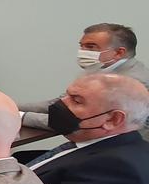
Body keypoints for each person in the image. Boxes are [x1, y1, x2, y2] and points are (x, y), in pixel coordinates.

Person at [19, 23, 149, 140]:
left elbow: (76, 121)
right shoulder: (103, 70)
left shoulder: (131, 83)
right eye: (81, 46)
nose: (83, 52)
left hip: (111, 153)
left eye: (90, 47)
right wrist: (11, 107)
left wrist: (19, 116)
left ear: (119, 53)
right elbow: (60, 103)